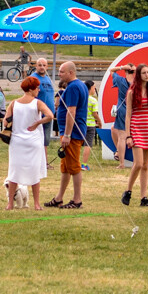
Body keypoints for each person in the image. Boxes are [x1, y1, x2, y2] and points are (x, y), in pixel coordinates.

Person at [5, 76, 54, 210]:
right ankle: (36, 204)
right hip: (34, 141)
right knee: (34, 172)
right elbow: (50, 115)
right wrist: (38, 122)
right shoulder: (37, 103)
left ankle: (10, 204)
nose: (39, 90)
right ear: (32, 89)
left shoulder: (14, 103)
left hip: (17, 141)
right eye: (37, 88)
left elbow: (5, 121)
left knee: (14, 172)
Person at [45, 62, 89, 209]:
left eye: (62, 72)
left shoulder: (73, 87)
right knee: (65, 167)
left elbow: (72, 112)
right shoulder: (78, 85)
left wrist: (67, 135)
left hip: (73, 134)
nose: (59, 74)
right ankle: (59, 198)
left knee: (74, 167)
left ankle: (77, 200)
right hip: (70, 133)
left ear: (71, 72)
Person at [121, 64, 148, 207]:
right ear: (138, 75)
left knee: (145, 166)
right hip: (136, 128)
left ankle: (144, 197)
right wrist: (128, 135)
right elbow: (128, 115)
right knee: (137, 163)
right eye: (144, 73)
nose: (147, 75)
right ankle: (128, 191)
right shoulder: (131, 92)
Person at [108, 62, 135, 168]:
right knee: (116, 130)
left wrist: (121, 67)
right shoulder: (137, 83)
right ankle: (132, 161)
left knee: (122, 137)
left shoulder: (120, 80)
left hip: (122, 111)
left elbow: (111, 70)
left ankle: (122, 163)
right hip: (134, 111)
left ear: (125, 71)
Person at [32, 58, 55, 147]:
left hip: (49, 113)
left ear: (47, 67)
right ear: (36, 66)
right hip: (38, 114)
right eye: (40, 65)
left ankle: (44, 160)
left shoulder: (47, 79)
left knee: (46, 140)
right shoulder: (33, 78)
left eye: (44, 65)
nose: (42, 67)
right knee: (38, 140)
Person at [83, 80, 101, 171]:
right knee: (88, 145)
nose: (95, 90)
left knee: (78, 144)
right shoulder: (93, 100)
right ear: (90, 88)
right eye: (94, 88)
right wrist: (99, 122)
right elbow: (95, 114)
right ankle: (84, 164)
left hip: (81, 124)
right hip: (90, 125)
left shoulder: (82, 98)